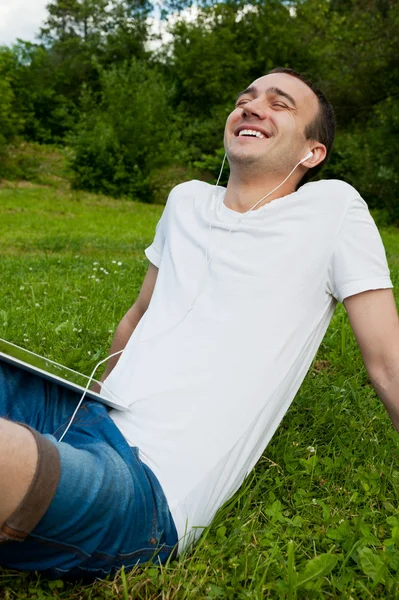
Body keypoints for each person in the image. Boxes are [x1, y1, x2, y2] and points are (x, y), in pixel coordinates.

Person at [1, 67, 398, 580]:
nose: (252, 106)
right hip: (84, 415)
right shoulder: (185, 199)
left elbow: (388, 364)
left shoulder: (333, 209)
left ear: (312, 152)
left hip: (143, 486)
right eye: (246, 98)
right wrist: (94, 394)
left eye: (280, 104)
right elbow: (140, 313)